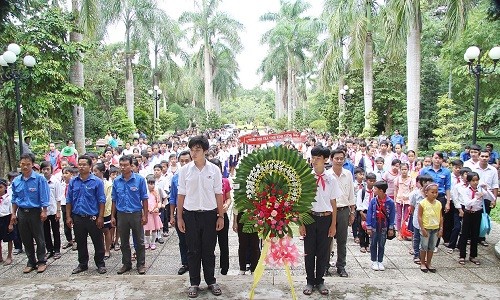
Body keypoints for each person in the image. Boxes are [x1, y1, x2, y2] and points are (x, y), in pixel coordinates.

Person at [176, 135, 225, 298]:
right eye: (192, 150)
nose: (193, 153)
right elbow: (181, 195)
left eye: (197, 150)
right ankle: (194, 283)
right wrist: (179, 218)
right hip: (190, 215)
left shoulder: (214, 170)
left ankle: (211, 281)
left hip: (210, 215)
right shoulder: (184, 171)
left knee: (209, 250)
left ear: (205, 151)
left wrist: (221, 216)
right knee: (193, 250)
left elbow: (219, 194)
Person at [300, 146, 340, 296]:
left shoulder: (331, 179)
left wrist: (333, 224)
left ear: (325, 160)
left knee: (323, 252)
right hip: (310, 217)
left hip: (326, 218)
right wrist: (301, 223)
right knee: (309, 251)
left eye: (318, 158)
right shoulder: (306, 178)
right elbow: (302, 203)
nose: (314, 161)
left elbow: (333, 203)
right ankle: (310, 281)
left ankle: (320, 280)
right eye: (313, 158)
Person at [66, 155, 107, 274]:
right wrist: (68, 216)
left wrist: (100, 217)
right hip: (78, 217)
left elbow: (101, 200)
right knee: (80, 241)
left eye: (84, 165)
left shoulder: (97, 182)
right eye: (80, 164)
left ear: (90, 166)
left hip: (93, 217)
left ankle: (100, 263)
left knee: (98, 242)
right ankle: (82, 264)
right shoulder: (73, 181)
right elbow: (69, 200)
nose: (81, 167)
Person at [10, 153, 50, 274]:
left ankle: (42, 261)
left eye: (28, 164)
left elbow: (44, 196)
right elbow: (14, 198)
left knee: (39, 237)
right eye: (23, 164)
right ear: (20, 165)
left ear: (33, 165)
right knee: (25, 238)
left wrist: (44, 211)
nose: (25, 167)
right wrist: (13, 213)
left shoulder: (39, 179)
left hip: (35, 212)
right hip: (22, 212)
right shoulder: (17, 180)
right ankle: (31, 261)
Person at [111, 155, 149, 275]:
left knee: (139, 241)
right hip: (122, 214)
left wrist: (145, 215)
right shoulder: (116, 181)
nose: (123, 168)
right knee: (124, 241)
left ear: (131, 166)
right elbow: (114, 199)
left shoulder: (139, 180)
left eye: (126, 165)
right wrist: (113, 216)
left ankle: (141, 264)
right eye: (121, 165)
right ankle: (126, 264)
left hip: (136, 214)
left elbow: (144, 199)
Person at [327, 148, 355, 278]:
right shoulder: (327, 175)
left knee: (342, 241)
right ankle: (325, 265)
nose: (339, 161)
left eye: (341, 158)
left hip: (344, 210)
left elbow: (351, 194)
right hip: (329, 212)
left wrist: (352, 211)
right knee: (327, 240)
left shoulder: (348, 174)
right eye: (336, 158)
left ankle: (341, 266)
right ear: (331, 159)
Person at [457, 172, 494, 265]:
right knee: (464, 234)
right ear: (469, 181)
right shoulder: (465, 190)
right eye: (473, 180)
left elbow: (492, 198)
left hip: (477, 213)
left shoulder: (480, 190)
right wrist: (476, 198)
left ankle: (473, 256)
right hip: (468, 213)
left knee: (475, 234)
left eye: (477, 180)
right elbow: (467, 203)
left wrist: (487, 189)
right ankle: (462, 256)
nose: (475, 182)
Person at [419, 151, 451, 252]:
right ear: (432, 158)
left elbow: (448, 188)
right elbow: (419, 183)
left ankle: (435, 243)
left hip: (440, 197)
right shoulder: (425, 170)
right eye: (436, 158)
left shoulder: (446, 172)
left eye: (440, 158)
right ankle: (424, 241)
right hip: (427, 197)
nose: (437, 160)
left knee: (439, 219)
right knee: (426, 217)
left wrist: (448, 202)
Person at [169, 150, 192, 275]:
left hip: (194, 212)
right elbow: (173, 198)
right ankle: (185, 263)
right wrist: (172, 216)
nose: (184, 163)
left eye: (186, 161)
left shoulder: (196, 175)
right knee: (182, 240)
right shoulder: (175, 178)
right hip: (180, 213)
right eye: (181, 161)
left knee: (194, 240)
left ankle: (195, 262)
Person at [366, 181, 396, 271]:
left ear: (381, 190)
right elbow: (369, 213)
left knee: (382, 244)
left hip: (384, 226)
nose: (373, 190)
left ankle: (380, 261)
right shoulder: (373, 201)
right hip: (374, 225)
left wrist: (391, 227)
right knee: (373, 243)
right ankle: (374, 260)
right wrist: (369, 226)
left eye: (375, 189)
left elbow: (392, 215)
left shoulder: (390, 202)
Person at [209, 158, 232, 276]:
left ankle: (225, 268)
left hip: (222, 215)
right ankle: (210, 269)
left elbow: (228, 197)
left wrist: (226, 205)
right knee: (210, 244)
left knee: (224, 243)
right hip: (210, 216)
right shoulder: (206, 181)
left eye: (218, 167)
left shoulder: (225, 181)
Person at [474, 149, 499, 247]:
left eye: (486, 156)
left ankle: (482, 237)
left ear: (489, 157)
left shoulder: (493, 170)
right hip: (475, 197)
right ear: (479, 157)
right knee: (475, 217)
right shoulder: (474, 168)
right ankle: (473, 237)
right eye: (482, 156)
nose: (484, 158)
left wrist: (494, 199)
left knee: (485, 217)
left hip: (487, 197)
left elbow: (495, 185)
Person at [40, 161, 63, 260]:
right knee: (45, 231)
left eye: (48, 169)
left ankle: (57, 250)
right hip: (43, 211)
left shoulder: (55, 182)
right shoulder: (40, 181)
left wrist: (58, 211)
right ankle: (49, 249)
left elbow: (58, 198)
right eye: (44, 169)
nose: (46, 171)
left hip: (53, 210)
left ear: (51, 170)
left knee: (56, 231)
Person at [409, 175, 434, 264]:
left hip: (428, 220)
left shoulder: (432, 194)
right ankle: (416, 255)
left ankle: (424, 256)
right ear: (422, 183)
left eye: (430, 182)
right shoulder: (415, 194)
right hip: (417, 219)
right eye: (426, 182)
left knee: (426, 239)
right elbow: (412, 207)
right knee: (416, 238)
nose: (428, 184)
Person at [418, 183, 443, 273]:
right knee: (424, 246)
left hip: (435, 228)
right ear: (426, 192)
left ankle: (429, 262)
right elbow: (420, 216)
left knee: (431, 247)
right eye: (432, 192)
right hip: (426, 227)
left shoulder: (439, 203)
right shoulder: (422, 203)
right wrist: (422, 228)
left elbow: (440, 217)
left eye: (436, 192)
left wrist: (441, 228)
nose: (434, 194)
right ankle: (422, 263)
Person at [93, 163, 113, 259]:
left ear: (102, 172)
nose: (94, 173)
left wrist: (103, 211)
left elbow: (108, 199)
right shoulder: (93, 182)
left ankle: (107, 250)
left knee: (106, 230)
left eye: (96, 171)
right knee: (97, 231)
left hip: (105, 211)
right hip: (94, 211)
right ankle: (99, 249)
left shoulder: (108, 184)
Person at [356, 173, 377, 253]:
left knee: (370, 228)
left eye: (373, 181)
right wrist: (361, 213)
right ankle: (362, 244)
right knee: (362, 229)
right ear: (366, 181)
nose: (372, 183)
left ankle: (368, 244)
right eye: (370, 181)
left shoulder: (375, 192)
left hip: (372, 212)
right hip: (363, 211)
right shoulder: (362, 191)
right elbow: (359, 202)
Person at [393, 163, 414, 240]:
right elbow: (395, 190)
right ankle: (399, 232)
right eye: (402, 169)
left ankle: (404, 232)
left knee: (406, 217)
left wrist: (411, 201)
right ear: (400, 170)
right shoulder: (397, 179)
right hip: (399, 200)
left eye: (405, 169)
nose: (404, 171)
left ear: (408, 170)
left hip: (408, 200)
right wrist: (395, 201)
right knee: (398, 216)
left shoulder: (411, 180)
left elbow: (412, 191)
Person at [144, 175, 163, 250]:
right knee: (147, 229)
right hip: (148, 213)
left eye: (153, 184)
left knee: (155, 228)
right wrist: (146, 209)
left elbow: (159, 202)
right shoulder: (145, 193)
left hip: (154, 213)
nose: (152, 185)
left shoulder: (156, 193)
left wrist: (158, 207)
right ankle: (147, 242)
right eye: (150, 183)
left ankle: (153, 242)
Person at [0, 178, 14, 266]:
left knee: (9, 238)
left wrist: (11, 224)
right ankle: (0, 256)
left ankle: (9, 256)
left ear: (5, 188)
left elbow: (12, 211)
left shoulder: (9, 198)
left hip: (7, 218)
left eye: (0, 187)